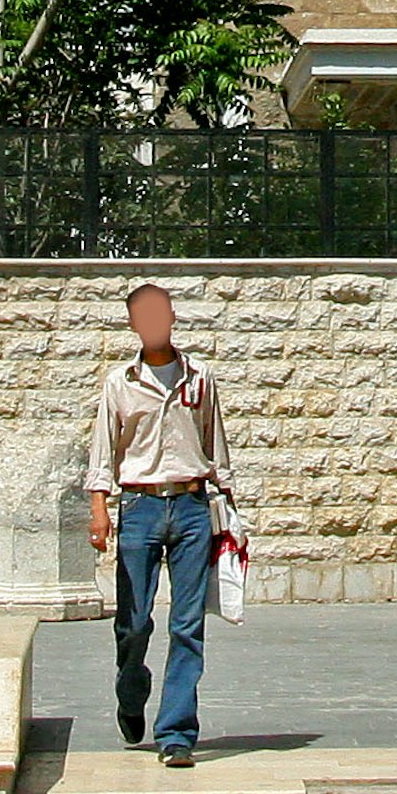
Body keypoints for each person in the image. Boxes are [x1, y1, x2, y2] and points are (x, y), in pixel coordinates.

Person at [86, 284, 230, 766]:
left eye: (160, 315)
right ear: (133, 325)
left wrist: (230, 509)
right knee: (133, 623)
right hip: (139, 509)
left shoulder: (200, 378)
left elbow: (216, 446)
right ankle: (131, 691)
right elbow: (104, 451)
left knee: (187, 625)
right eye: (142, 318)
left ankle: (176, 733)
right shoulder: (119, 383)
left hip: (190, 506)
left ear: (172, 318)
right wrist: (99, 508)